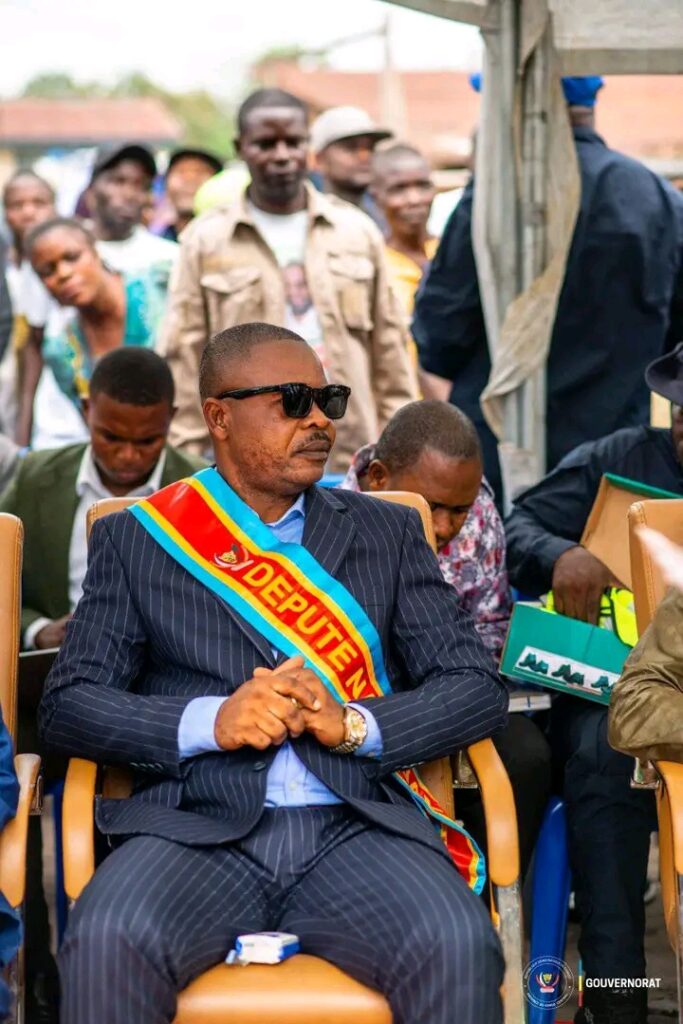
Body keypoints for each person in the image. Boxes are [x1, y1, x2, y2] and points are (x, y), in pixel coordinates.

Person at [40, 321, 507, 1024]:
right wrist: (210, 722)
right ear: (218, 417)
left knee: (457, 943)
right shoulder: (139, 540)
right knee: (107, 940)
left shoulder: (385, 532)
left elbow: (475, 687)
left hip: (358, 828)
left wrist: (355, 725)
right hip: (194, 833)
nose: (318, 419)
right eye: (292, 400)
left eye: (327, 399)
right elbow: (69, 704)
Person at [504, 350, 683, 1023]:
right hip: (617, 691)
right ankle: (615, 999)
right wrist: (561, 555)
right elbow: (517, 525)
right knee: (604, 761)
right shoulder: (619, 458)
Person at [413, 75, 683, 505]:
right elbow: (675, 345)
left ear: (521, 104)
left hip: (503, 451)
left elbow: (439, 335)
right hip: (611, 456)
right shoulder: (657, 196)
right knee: (602, 551)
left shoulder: (499, 193)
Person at [341, 400, 549, 877]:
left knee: (528, 757)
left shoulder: (480, 515)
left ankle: (487, 897)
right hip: (358, 705)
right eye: (431, 506)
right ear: (378, 478)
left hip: (452, 693)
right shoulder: (326, 515)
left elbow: (490, 624)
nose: (444, 526)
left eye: (459, 510)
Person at [163, 88, 417, 470]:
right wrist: (190, 455)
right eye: (266, 144)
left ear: (308, 146)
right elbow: (185, 355)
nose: (281, 155)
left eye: (293, 142)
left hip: (348, 448)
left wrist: (397, 445)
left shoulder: (355, 230)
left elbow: (389, 348)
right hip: (249, 455)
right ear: (241, 148)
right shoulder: (206, 240)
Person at [0, 347, 204, 651]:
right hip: (54, 663)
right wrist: (37, 630)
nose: (128, 455)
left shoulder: (203, 489)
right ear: (86, 410)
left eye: (147, 441)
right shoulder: (35, 477)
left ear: (170, 419)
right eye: (111, 437)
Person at [16, 217, 169, 445]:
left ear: (96, 252)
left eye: (72, 257)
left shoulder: (162, 283)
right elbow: (101, 431)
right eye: (48, 271)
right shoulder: (62, 351)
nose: (63, 273)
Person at [0, 170, 57, 438]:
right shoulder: (7, 268)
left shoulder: (63, 272)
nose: (28, 212)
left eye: (38, 203)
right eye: (17, 205)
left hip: (48, 407)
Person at [369, 143, 437, 319]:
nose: (414, 199)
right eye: (399, 189)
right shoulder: (374, 265)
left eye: (422, 186)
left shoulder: (451, 252)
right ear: (377, 198)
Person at [310, 105, 392, 229]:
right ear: (319, 159)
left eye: (370, 148)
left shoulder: (387, 217)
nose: (364, 156)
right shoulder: (308, 219)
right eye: (351, 147)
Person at [161, 148, 223, 242]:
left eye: (200, 172)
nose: (189, 180)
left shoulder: (232, 242)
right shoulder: (151, 243)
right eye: (181, 172)